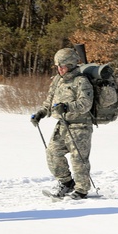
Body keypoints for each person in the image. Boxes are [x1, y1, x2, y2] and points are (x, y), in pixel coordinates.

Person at [32, 48, 95, 199]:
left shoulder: (81, 81)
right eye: (58, 66)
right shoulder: (58, 80)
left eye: (63, 66)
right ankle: (66, 183)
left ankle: (81, 190)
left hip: (80, 126)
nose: (60, 69)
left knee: (78, 158)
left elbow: (86, 103)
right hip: (62, 124)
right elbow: (50, 100)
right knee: (52, 153)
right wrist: (41, 113)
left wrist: (67, 107)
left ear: (72, 65)